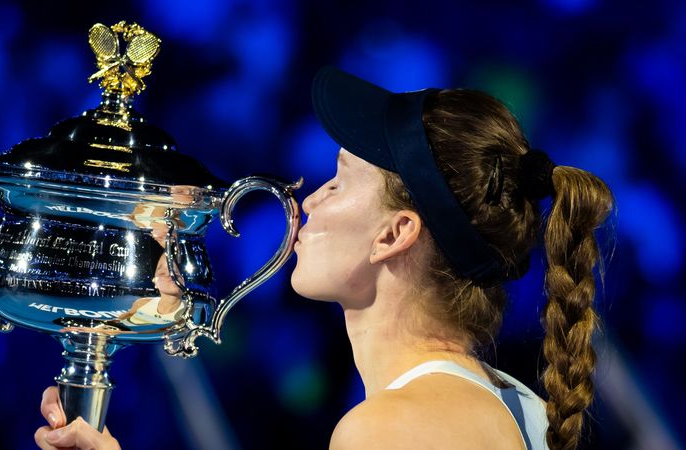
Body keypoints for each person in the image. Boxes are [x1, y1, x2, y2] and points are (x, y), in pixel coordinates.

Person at [34, 67, 613, 450]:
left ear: (395, 234)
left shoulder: (388, 432)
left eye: (337, 181)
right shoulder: (519, 407)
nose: (309, 201)